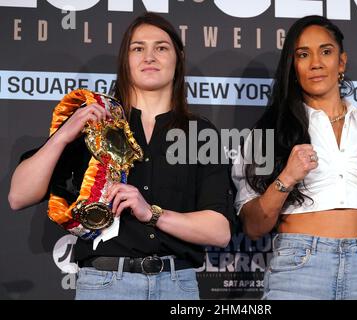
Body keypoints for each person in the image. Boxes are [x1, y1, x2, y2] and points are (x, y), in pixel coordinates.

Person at [9, 12, 233, 300]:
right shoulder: (96, 120)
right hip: (105, 285)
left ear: (178, 58)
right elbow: (19, 196)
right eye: (138, 48)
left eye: (161, 47)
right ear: (125, 60)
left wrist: (151, 213)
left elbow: (219, 231)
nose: (149, 56)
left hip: (178, 286)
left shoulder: (201, 133)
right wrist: (64, 135)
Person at [232, 15, 357, 300]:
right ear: (293, 67)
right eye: (303, 55)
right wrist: (287, 178)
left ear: (341, 62)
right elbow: (254, 227)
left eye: (326, 52)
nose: (316, 63)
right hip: (298, 267)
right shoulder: (270, 132)